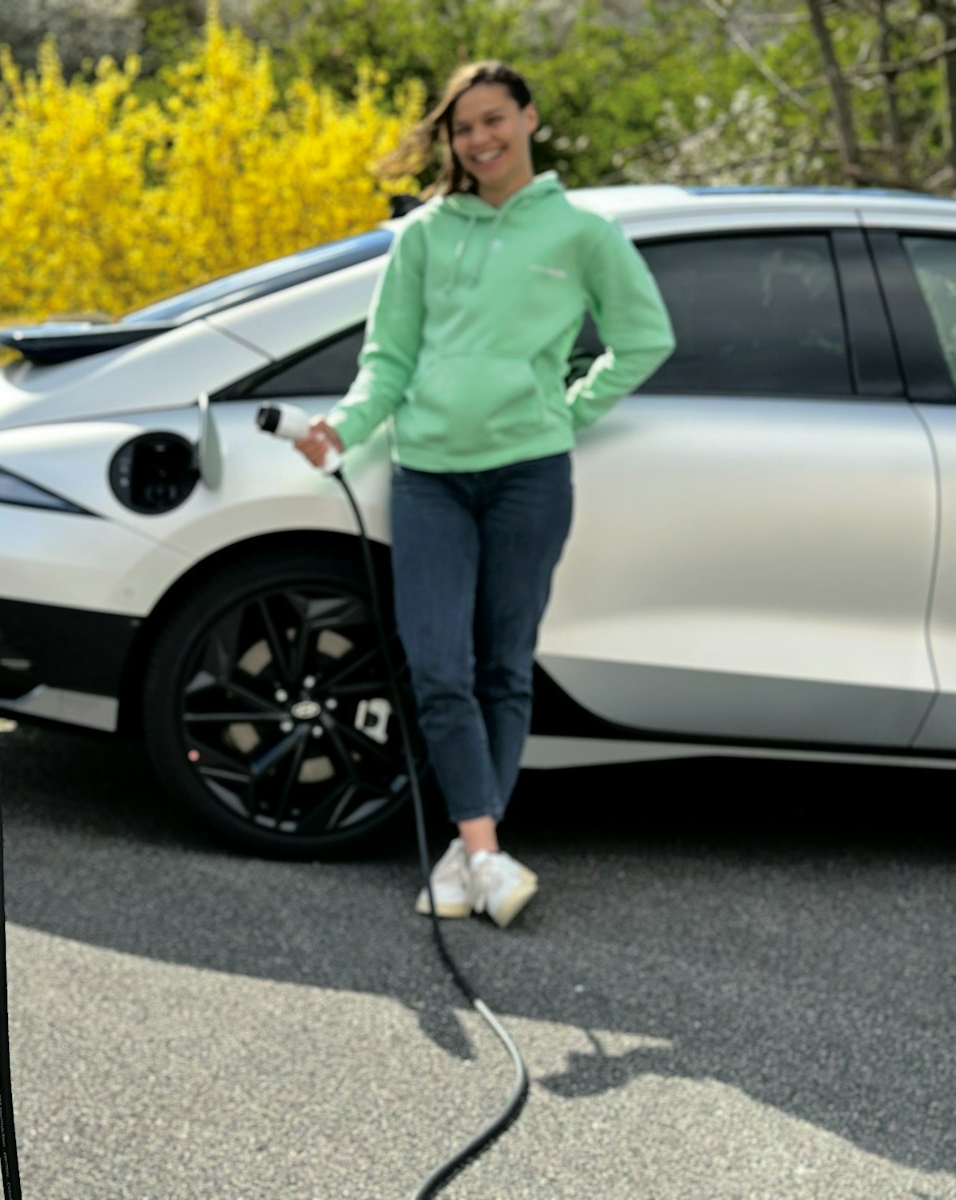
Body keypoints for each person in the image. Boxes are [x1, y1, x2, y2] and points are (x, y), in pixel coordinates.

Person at [295, 61, 675, 927]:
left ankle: (474, 854)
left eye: (494, 119)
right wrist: (344, 430)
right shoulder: (424, 236)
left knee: (505, 666)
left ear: (529, 118)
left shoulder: (582, 233)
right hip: (428, 477)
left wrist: (567, 411)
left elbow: (645, 338)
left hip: (529, 478)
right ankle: (484, 854)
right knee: (437, 666)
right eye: (464, 127)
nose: (479, 139)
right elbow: (386, 361)